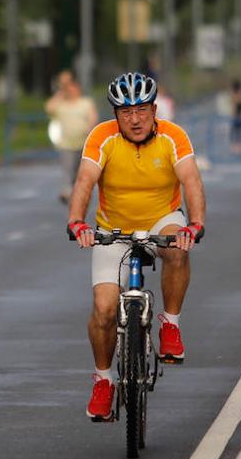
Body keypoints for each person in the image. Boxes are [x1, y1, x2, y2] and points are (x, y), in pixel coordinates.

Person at [68, 72, 206, 421]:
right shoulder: (102, 137)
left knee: (178, 248)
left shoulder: (173, 137)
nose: (135, 119)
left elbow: (191, 181)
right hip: (112, 227)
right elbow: (85, 181)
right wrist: (77, 222)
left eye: (142, 110)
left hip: (162, 218)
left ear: (154, 109)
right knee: (104, 309)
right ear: (115, 114)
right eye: (126, 112)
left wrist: (195, 224)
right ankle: (103, 380)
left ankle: (170, 323)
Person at [45, 70, 99, 203]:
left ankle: (76, 192)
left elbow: (93, 116)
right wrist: (61, 92)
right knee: (67, 170)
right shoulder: (61, 105)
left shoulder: (85, 103)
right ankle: (67, 191)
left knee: (78, 172)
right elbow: (49, 108)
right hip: (66, 144)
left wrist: (89, 127)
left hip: (83, 143)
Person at [229, 79, 241, 153]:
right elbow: (234, 103)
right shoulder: (234, 95)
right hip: (235, 116)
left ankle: (239, 146)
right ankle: (235, 146)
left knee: (240, 132)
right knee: (235, 132)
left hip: (240, 116)